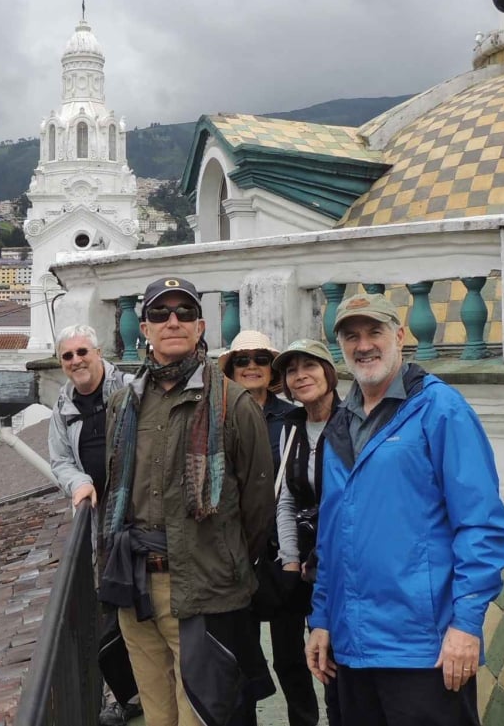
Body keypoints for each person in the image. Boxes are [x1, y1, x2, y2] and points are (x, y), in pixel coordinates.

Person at [304, 293, 504, 726]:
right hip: (352, 645)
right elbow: (332, 534)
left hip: (424, 647)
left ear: (400, 335)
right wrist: (322, 619)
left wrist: (466, 625)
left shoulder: (440, 410)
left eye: (375, 331)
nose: (364, 345)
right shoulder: (341, 423)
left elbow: (482, 525)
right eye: (351, 336)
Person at [98, 277, 276, 726]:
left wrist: (221, 556)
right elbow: (116, 485)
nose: (172, 321)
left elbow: (257, 508)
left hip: (202, 586)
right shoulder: (124, 403)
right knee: (157, 714)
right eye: (160, 313)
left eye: (183, 313)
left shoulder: (233, 405)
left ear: (200, 326)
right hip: (136, 584)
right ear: (145, 327)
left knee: (200, 714)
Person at [220, 331, 317, 726]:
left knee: (291, 656)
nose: (252, 366)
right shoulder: (219, 417)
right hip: (235, 553)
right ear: (232, 369)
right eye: (242, 360)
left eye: (260, 359)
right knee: (241, 662)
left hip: (281, 553)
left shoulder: (291, 418)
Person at [47, 323, 142, 726]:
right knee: (108, 610)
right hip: (98, 525)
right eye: (67, 356)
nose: (76, 361)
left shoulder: (131, 390)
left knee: (144, 603)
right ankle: (125, 695)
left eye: (82, 352)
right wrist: (79, 482)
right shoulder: (63, 406)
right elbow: (60, 461)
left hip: (138, 514)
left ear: (98, 352)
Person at [272, 339, 344, 726]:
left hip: (340, 562)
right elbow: (284, 499)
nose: (301, 376)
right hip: (302, 564)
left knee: (335, 661)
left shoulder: (352, 423)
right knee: (293, 655)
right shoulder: (293, 428)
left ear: (329, 372)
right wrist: (290, 559)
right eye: (292, 370)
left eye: (310, 366)